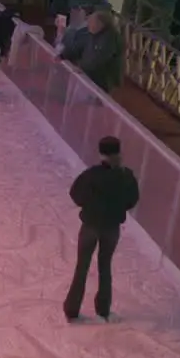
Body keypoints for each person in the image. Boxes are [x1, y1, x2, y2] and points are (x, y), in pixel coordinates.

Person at [63, 136, 139, 322]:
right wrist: (117, 208)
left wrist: (90, 206)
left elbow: (76, 194)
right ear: (119, 152)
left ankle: (72, 310)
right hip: (111, 227)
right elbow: (132, 199)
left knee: (82, 266)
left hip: (90, 224)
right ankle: (103, 310)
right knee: (105, 266)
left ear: (100, 152)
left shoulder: (91, 174)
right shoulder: (125, 175)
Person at [60, 9, 122, 92]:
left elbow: (98, 58)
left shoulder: (109, 39)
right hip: (89, 76)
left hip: (103, 81)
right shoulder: (92, 32)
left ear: (100, 24)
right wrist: (63, 55)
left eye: (91, 22)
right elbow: (78, 46)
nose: (88, 24)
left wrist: (82, 68)